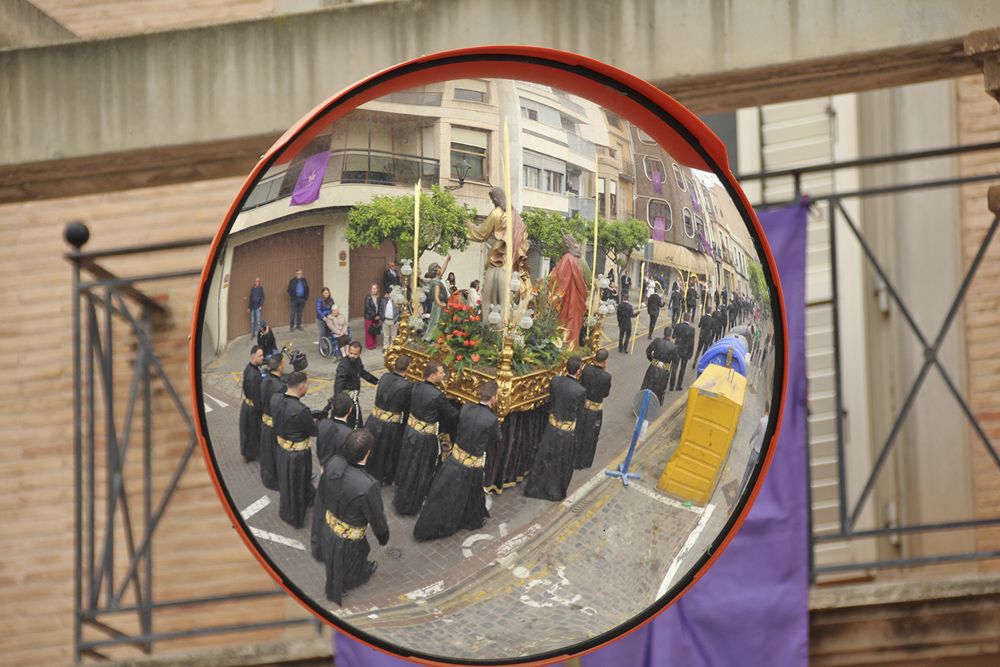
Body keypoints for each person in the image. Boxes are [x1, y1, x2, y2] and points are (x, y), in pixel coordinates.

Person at [413, 380, 500, 541]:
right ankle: (465, 520)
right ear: (494, 398)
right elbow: (497, 439)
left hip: (454, 461)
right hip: (471, 466)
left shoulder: (466, 408)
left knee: (442, 494)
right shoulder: (491, 419)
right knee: (465, 496)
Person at [318, 430, 389, 605]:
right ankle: (345, 583)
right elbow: (376, 517)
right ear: (367, 453)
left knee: (337, 558)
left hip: (329, 525)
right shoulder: (368, 484)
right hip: (349, 537)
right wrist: (383, 536)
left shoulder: (333, 463)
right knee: (354, 558)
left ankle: (339, 583)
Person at [393, 360, 459, 516]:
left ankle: (403, 495)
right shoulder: (437, 395)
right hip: (425, 439)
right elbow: (452, 415)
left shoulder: (415, 386)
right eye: (441, 373)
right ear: (432, 375)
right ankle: (413, 500)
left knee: (408, 464)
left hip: (410, 432)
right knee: (421, 469)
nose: (444, 375)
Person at [523, 356, 586, 501]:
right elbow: (579, 412)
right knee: (561, 462)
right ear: (578, 371)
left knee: (545, 457)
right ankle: (554, 491)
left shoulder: (556, 381)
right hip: (566, 432)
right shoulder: (580, 390)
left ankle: (536, 487)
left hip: (551, 427)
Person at [466, 186, 531, 319]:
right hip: (512, 262)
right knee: (509, 300)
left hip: (498, 259)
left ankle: (489, 326)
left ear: (495, 198)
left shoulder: (496, 213)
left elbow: (481, 234)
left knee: (489, 300)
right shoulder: (515, 215)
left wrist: (468, 225)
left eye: (492, 199)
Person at [310, 392, 355, 561]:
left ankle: (317, 546)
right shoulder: (349, 434)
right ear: (349, 410)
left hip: (324, 472)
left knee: (320, 511)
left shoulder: (322, 425)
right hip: (339, 479)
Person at [272, 371, 317, 529]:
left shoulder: (275, 399)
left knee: (286, 482)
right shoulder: (301, 410)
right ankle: (296, 517)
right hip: (298, 456)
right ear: (302, 387)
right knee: (298, 484)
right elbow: (313, 431)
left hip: (281, 450)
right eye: (308, 385)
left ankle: (286, 511)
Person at [364, 355, 413, 485]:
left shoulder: (385, 377)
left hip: (373, 419)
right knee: (384, 453)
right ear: (407, 368)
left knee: (372, 448)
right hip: (390, 426)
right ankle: (381, 477)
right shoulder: (407, 386)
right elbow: (406, 408)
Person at [548, 232, 589, 350]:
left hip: (568, 299)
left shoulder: (567, 259)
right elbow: (588, 280)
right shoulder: (582, 260)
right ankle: (572, 348)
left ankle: (564, 348)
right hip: (578, 299)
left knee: (565, 324)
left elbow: (559, 280)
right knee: (574, 325)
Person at [574, 350, 611, 470]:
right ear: (605, 361)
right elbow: (605, 394)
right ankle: (584, 461)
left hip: (583, 407)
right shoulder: (606, 377)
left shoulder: (586, 370)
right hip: (595, 411)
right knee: (591, 436)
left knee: (579, 431)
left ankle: (575, 458)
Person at [258, 353, 286, 491]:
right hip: (275, 426)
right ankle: (277, 480)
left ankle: (268, 477)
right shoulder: (280, 386)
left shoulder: (265, 380)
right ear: (280, 366)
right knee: (276, 455)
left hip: (265, 423)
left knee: (267, 453)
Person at [334, 342, 378, 429]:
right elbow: (339, 383)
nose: (353, 356)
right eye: (351, 353)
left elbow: (362, 372)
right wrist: (338, 400)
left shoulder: (358, 361)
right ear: (348, 351)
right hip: (346, 399)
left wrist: (376, 381)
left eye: (355, 354)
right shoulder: (344, 366)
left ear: (359, 353)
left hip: (354, 396)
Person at [239, 345, 265, 463]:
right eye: (260, 356)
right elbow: (256, 396)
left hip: (247, 406)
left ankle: (248, 453)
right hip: (252, 409)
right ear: (253, 357)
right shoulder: (254, 376)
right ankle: (251, 454)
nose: (262, 358)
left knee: (247, 431)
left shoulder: (248, 368)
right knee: (253, 432)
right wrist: (261, 411)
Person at [739, 402, 770, 494]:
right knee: (751, 476)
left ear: (765, 409)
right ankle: (745, 492)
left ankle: (738, 495)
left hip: (754, 452)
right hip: (759, 457)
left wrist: (750, 440)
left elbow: (756, 433)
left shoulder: (762, 421)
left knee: (745, 476)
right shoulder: (769, 424)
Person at [641, 327, 676, 406]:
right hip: (664, 371)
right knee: (659, 390)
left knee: (647, 386)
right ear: (670, 335)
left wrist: (652, 360)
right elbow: (675, 362)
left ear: (664, 333)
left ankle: (641, 404)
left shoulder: (657, 341)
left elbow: (648, 351)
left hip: (653, 367)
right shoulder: (673, 347)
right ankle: (653, 407)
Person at [422, 257, 451, 342]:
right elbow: (436, 296)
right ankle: (432, 338)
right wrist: (440, 305)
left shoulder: (439, 278)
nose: (440, 269)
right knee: (437, 321)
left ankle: (440, 337)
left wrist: (447, 260)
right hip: (439, 305)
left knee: (441, 321)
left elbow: (443, 269)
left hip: (443, 303)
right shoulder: (436, 282)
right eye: (438, 268)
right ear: (435, 271)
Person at [670, 315, 696, 392]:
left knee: (674, 368)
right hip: (685, 351)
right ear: (689, 319)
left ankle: (671, 385)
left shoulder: (678, 326)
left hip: (677, 349)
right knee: (682, 369)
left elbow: (673, 336)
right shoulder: (692, 330)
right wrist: (691, 353)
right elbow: (692, 343)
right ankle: (678, 385)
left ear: (683, 318)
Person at [379, 287, 400, 353]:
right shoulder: (383, 300)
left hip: (394, 320)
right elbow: (381, 310)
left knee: (393, 335)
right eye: (388, 293)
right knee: (386, 335)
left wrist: (396, 320)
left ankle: (392, 347)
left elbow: (399, 311)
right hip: (386, 320)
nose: (389, 295)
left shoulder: (396, 301)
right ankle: (385, 347)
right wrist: (383, 318)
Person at [363, 283, 380, 350]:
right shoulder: (368, 297)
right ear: (371, 289)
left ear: (377, 289)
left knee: (374, 331)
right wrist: (374, 316)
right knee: (369, 331)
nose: (374, 290)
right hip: (369, 317)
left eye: (375, 288)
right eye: (373, 288)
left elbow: (379, 307)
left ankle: (374, 344)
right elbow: (367, 308)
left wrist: (378, 315)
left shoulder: (378, 297)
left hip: (376, 318)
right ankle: (369, 345)